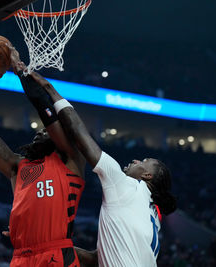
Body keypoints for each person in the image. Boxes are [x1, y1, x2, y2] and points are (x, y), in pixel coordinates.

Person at [20, 52, 177, 266]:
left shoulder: (127, 187)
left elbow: (79, 133)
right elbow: (97, 259)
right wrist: (46, 244)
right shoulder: (152, 217)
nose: (136, 160)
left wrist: (48, 88)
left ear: (148, 175)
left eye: (144, 160)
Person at [0, 46, 85, 266]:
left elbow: (46, 113)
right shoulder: (17, 166)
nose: (40, 130)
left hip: (56, 255)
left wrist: (21, 71)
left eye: (46, 130)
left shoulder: (71, 159)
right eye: (39, 129)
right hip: (21, 257)